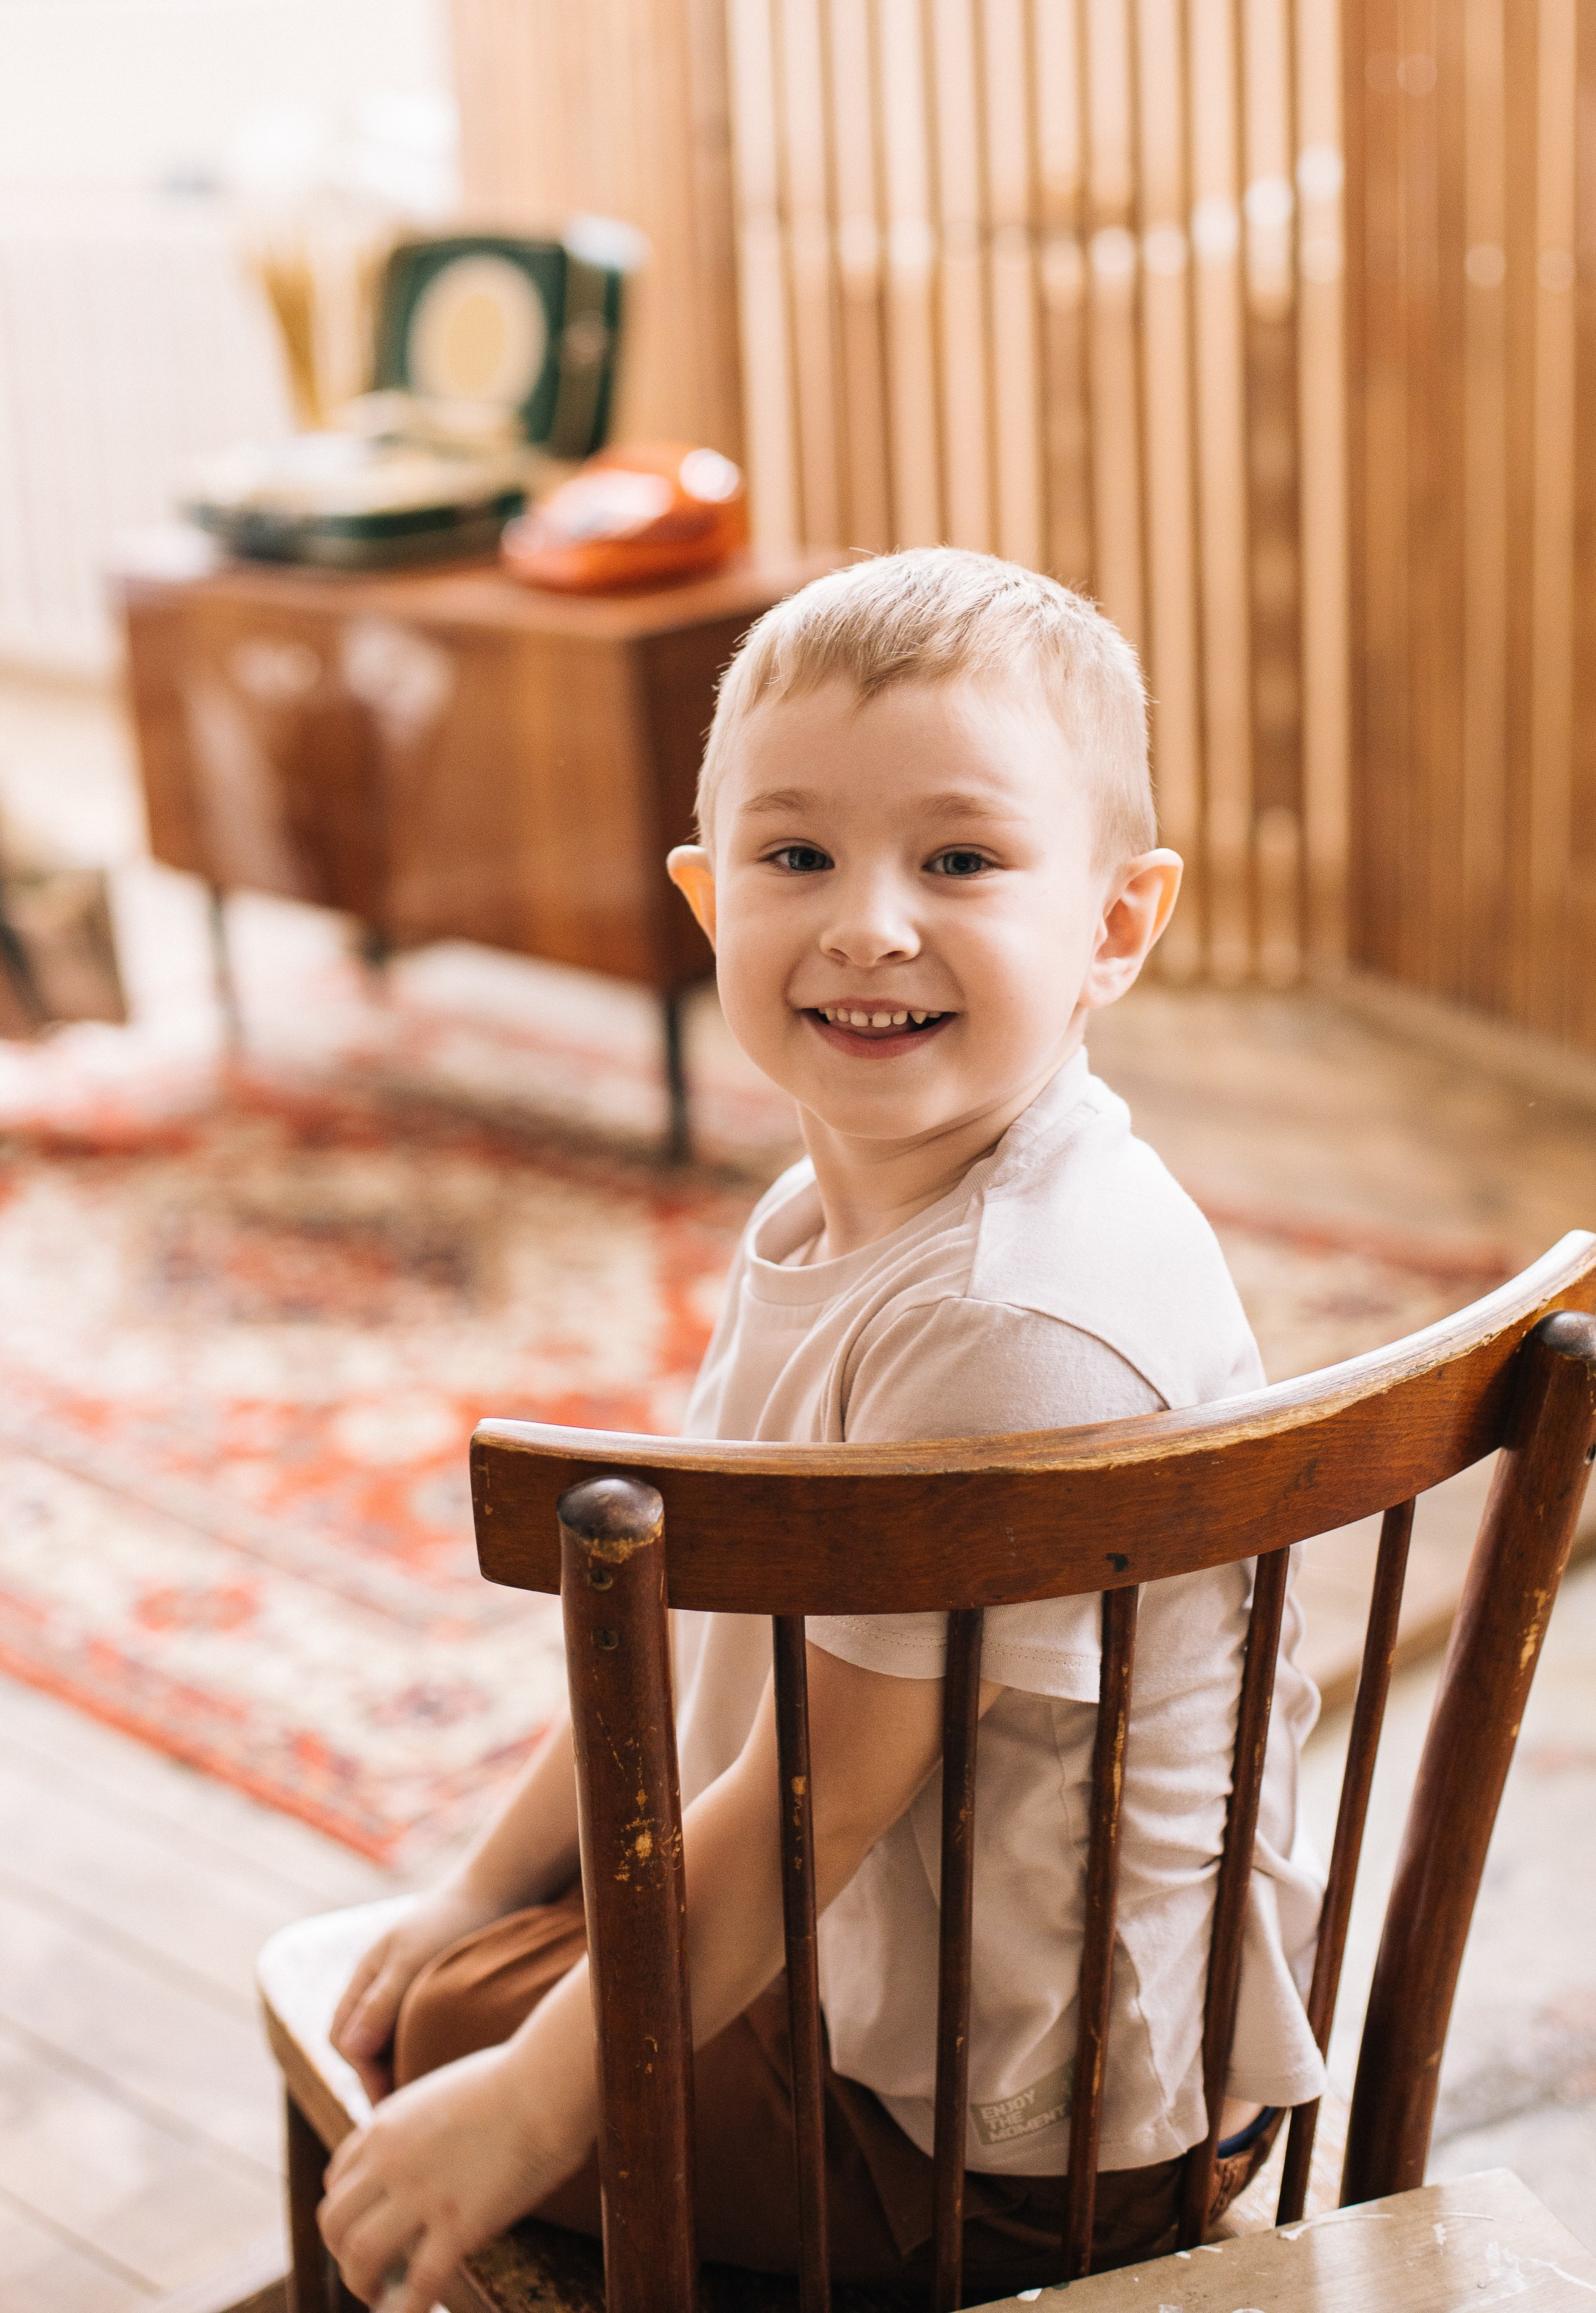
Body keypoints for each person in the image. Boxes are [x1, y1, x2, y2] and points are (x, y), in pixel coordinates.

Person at [317, 548, 1326, 2312]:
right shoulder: (829, 1211)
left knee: (444, 2036)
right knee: (455, 1956)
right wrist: (478, 1878)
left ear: (1114, 923)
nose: (870, 920)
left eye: (959, 858)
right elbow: (691, 1635)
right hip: (900, 1989)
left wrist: (525, 2102)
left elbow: (815, 1805)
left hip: (991, 2144)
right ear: (711, 901)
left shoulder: (1007, 1317)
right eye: (799, 855)